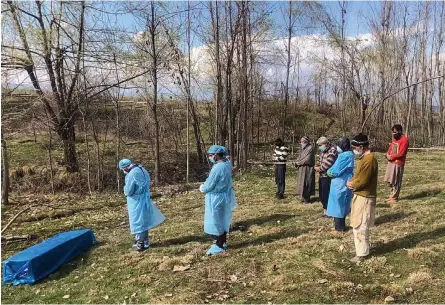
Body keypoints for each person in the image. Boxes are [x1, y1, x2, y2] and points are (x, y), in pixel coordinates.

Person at [119, 159, 166, 252]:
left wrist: (124, 188)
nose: (123, 171)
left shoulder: (131, 174)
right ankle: (145, 242)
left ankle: (139, 243)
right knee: (143, 220)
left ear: (125, 167)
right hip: (144, 198)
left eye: (123, 169)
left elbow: (128, 191)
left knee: (137, 221)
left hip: (135, 201)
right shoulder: (141, 169)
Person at [346, 133, 378, 263]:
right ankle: (361, 250)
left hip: (365, 197)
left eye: (355, 147)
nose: (354, 149)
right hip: (360, 195)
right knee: (357, 223)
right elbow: (358, 175)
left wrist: (352, 184)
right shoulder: (364, 159)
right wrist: (352, 181)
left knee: (361, 224)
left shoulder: (369, 159)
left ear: (361, 146)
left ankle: (362, 254)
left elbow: (363, 180)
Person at [199, 145, 234, 255]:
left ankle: (219, 244)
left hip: (215, 197)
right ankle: (222, 242)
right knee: (222, 219)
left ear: (217, 155)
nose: (210, 157)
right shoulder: (227, 163)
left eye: (211, 155)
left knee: (216, 220)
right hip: (224, 195)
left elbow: (210, 184)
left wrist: (202, 187)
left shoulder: (218, 168)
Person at [326, 137, 354, 232]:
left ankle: (340, 228)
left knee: (339, 205)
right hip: (338, 183)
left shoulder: (346, 156)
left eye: (338, 145)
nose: (337, 147)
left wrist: (329, 172)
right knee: (337, 204)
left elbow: (336, 170)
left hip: (341, 183)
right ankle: (338, 226)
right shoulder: (343, 155)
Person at [384, 124, 409, 204]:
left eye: (395, 132)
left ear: (399, 131)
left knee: (396, 180)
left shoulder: (405, 140)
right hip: (391, 162)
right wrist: (387, 154)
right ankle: (391, 195)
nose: (393, 134)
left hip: (398, 163)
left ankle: (395, 197)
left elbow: (401, 153)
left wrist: (392, 157)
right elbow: (391, 148)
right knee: (391, 180)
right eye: (393, 132)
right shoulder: (394, 139)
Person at [314, 137, 338, 216]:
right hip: (322, 176)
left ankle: (329, 211)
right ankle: (325, 209)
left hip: (328, 176)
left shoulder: (332, 150)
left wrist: (319, 168)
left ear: (325, 144)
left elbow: (328, 164)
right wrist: (316, 165)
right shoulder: (323, 151)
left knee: (327, 194)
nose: (319, 147)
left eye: (320, 145)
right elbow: (319, 160)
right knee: (322, 194)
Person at [295, 136, 315, 203]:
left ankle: (307, 198)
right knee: (301, 182)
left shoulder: (310, 148)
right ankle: (303, 196)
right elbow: (299, 157)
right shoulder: (303, 149)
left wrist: (299, 162)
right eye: (301, 142)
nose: (301, 143)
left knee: (307, 182)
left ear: (306, 142)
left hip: (308, 169)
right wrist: (296, 162)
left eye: (302, 142)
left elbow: (308, 159)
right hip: (301, 168)